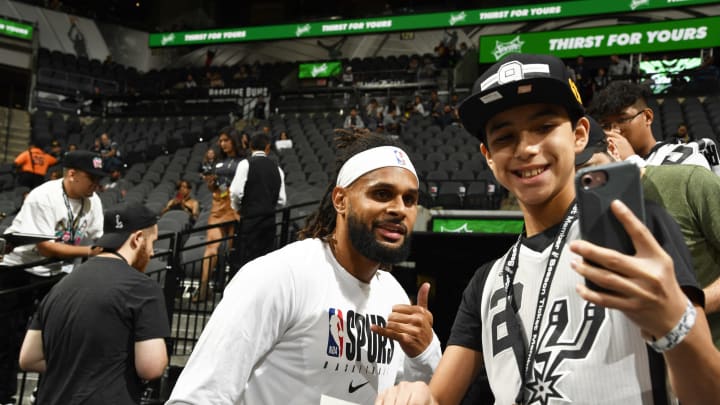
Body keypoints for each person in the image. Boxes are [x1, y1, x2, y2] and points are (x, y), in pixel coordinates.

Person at [376, 53, 720, 405]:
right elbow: (439, 399)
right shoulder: (487, 282)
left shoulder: (634, 231)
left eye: (544, 127)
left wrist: (676, 324)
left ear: (579, 134)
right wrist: (415, 395)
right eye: (505, 137)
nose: (526, 148)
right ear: (489, 157)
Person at [167, 130, 441, 405]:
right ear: (340, 200)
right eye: (382, 194)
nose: (399, 209)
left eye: (410, 199)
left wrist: (425, 352)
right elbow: (196, 398)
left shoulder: (394, 296)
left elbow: (412, 394)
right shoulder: (280, 276)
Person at [577, 116, 720, 350]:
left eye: (587, 170)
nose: (582, 186)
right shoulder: (576, 221)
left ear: (613, 148)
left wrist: (688, 308)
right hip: (640, 375)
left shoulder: (689, 182)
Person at [18, 203, 170, 404]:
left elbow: (29, 357)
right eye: (152, 243)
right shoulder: (142, 287)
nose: (151, 253)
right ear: (138, 238)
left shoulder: (61, 285)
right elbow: (152, 367)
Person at [0, 150, 107, 404]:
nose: (96, 183)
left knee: (60, 335)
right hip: (19, 271)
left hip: (56, 272)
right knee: (7, 336)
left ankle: (47, 392)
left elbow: (98, 236)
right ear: (71, 174)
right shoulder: (43, 196)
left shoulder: (93, 200)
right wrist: (89, 252)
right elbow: (45, 247)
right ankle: (4, 394)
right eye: (91, 177)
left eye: (98, 178)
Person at [588, 81, 712, 170]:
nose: (613, 131)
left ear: (647, 117)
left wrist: (631, 160)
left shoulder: (687, 156)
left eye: (622, 120)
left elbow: (673, 200)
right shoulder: (603, 163)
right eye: (605, 125)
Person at [196, 128, 243, 302]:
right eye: (221, 141)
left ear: (234, 141)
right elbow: (213, 188)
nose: (222, 144)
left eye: (226, 140)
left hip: (234, 206)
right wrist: (211, 183)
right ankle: (203, 286)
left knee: (232, 250)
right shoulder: (218, 162)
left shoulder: (243, 161)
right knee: (211, 248)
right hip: (218, 206)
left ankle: (231, 288)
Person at [229, 132, 286, 269]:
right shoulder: (278, 169)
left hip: (249, 221)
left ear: (250, 147)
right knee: (264, 263)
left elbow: (236, 192)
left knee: (246, 263)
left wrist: (236, 208)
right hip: (269, 223)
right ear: (267, 147)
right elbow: (282, 200)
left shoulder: (245, 164)